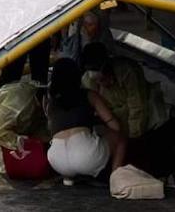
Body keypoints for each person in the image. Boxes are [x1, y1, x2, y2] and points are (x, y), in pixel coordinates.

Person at [80, 43, 175, 188]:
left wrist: (134, 142)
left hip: (144, 128)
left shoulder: (127, 72)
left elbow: (137, 109)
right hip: (117, 139)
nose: (100, 80)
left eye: (101, 74)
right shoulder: (89, 82)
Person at [45, 58, 126, 186]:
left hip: (57, 161)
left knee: (81, 147)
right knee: (119, 139)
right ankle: (116, 181)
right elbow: (115, 126)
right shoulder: (89, 95)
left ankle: (69, 178)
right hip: (85, 156)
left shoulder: (51, 103)